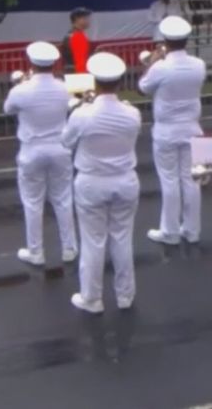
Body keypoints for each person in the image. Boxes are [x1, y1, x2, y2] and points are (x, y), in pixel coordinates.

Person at [62, 52, 142, 313]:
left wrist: (80, 107)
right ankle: (125, 295)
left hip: (91, 182)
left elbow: (66, 142)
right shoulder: (133, 114)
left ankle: (92, 298)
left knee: (93, 241)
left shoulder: (83, 115)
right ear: (119, 82)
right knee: (122, 238)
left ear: (94, 82)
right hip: (125, 180)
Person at [3, 42, 78, 267]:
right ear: (53, 64)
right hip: (59, 147)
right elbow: (69, 105)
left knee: (33, 202)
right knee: (63, 199)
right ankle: (70, 248)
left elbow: (8, 109)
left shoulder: (21, 89)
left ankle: (36, 251)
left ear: (30, 63)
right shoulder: (63, 87)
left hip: (32, 149)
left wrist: (21, 83)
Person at [140, 16, 207, 245]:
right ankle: (192, 230)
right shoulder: (199, 64)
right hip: (191, 127)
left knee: (169, 181)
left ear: (165, 41)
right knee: (191, 180)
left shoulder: (160, 67)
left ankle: (170, 232)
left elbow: (143, 88)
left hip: (167, 130)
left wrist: (153, 61)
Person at [60, 7, 93, 74]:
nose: (88, 20)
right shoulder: (77, 37)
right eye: (85, 18)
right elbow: (80, 63)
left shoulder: (71, 34)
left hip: (70, 74)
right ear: (77, 19)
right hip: (77, 77)